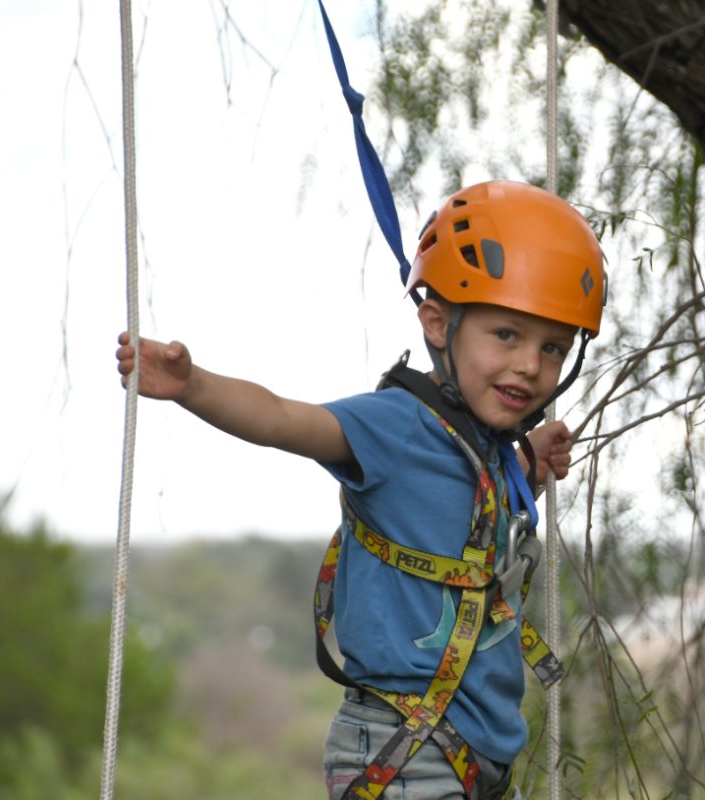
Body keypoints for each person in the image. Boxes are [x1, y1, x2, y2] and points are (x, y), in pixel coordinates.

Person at [115, 180, 607, 800]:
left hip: (477, 754)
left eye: (553, 347)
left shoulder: (485, 450)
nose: (531, 366)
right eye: (506, 335)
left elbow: (456, 512)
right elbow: (282, 419)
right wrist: (194, 386)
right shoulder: (396, 426)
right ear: (436, 323)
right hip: (406, 753)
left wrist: (526, 464)